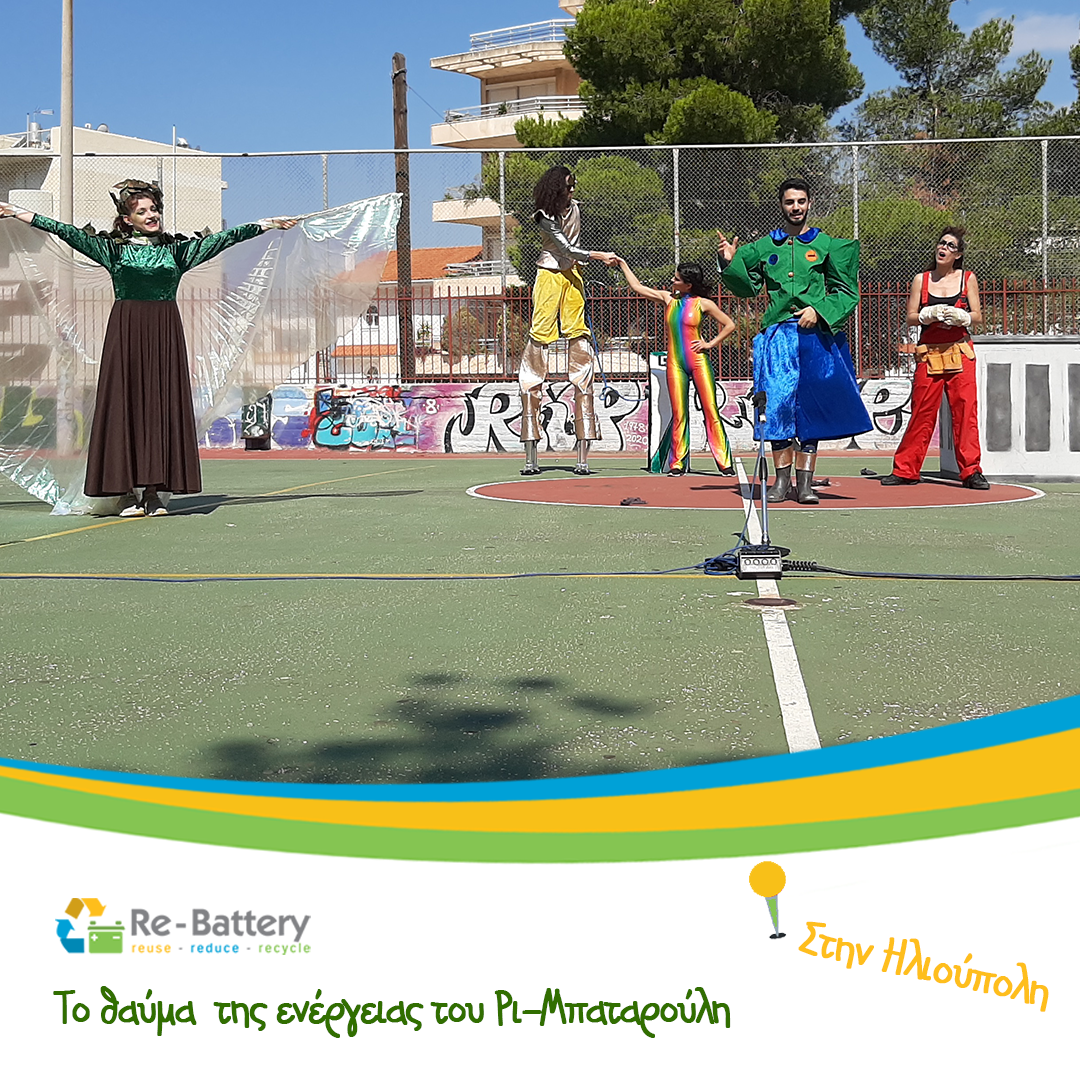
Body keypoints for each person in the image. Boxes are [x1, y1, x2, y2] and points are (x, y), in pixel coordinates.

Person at [0, 181, 297, 516]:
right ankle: (127, 493)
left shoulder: (177, 253)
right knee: (124, 407)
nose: (151, 215)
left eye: (154, 209)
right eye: (142, 211)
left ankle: (153, 493)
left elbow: (224, 239)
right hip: (126, 336)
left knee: (159, 408)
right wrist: (18, 212)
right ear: (128, 220)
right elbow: (65, 232)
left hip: (164, 336)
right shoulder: (113, 251)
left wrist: (265, 224)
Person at [717, 179, 871, 504]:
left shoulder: (826, 245)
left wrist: (819, 310)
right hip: (777, 338)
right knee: (777, 407)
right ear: (782, 205)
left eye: (801, 201)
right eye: (790, 202)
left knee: (810, 408)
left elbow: (846, 291)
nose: (796, 207)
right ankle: (780, 482)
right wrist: (730, 262)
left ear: (809, 203)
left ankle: (805, 485)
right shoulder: (764, 246)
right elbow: (747, 287)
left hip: (815, 336)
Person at [518, 166, 617, 476]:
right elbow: (566, 248)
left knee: (580, 341)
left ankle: (583, 456)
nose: (572, 191)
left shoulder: (575, 208)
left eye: (573, 186)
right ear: (555, 190)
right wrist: (600, 256)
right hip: (549, 274)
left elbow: (573, 250)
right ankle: (531, 456)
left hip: (572, 275)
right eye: (567, 187)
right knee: (538, 341)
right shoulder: (543, 216)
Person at [881, 226, 988, 489]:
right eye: (942, 243)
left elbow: (978, 316)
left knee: (965, 411)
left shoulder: (968, 279)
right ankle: (906, 469)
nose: (944, 248)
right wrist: (926, 315)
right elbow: (910, 317)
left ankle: (971, 471)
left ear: (958, 254)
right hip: (929, 354)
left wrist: (963, 317)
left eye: (951, 246)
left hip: (960, 352)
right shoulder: (922, 280)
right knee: (922, 411)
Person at [613, 258, 736, 476]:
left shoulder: (703, 304)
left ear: (688, 284)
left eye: (677, 279)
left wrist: (709, 344)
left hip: (698, 362)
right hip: (675, 364)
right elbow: (637, 287)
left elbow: (729, 325)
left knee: (711, 410)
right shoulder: (668, 299)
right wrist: (622, 264)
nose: (672, 280)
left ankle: (724, 462)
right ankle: (677, 463)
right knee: (679, 412)